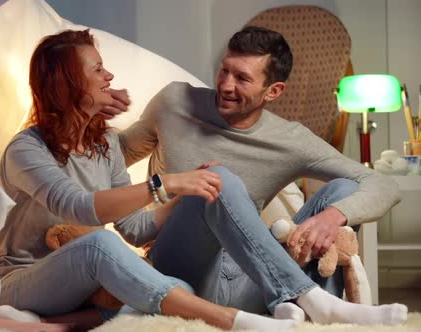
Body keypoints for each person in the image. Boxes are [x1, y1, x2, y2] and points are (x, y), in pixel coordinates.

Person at [0, 29, 298, 332]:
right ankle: (233, 321)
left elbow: (135, 228)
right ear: (67, 84)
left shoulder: (106, 145)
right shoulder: (26, 150)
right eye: (97, 69)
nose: (109, 76)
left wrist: (189, 194)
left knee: (179, 290)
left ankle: (53, 325)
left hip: (83, 289)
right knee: (100, 243)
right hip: (22, 280)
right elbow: (77, 207)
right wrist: (165, 184)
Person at [114, 26, 407, 324]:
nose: (226, 85)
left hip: (251, 279)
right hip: (181, 270)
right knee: (217, 178)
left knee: (343, 190)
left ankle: (309, 312)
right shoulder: (175, 102)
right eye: (224, 70)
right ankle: (317, 302)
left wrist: (334, 215)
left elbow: (384, 185)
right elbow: (114, 156)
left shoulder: (290, 139)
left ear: (274, 91)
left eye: (242, 78)